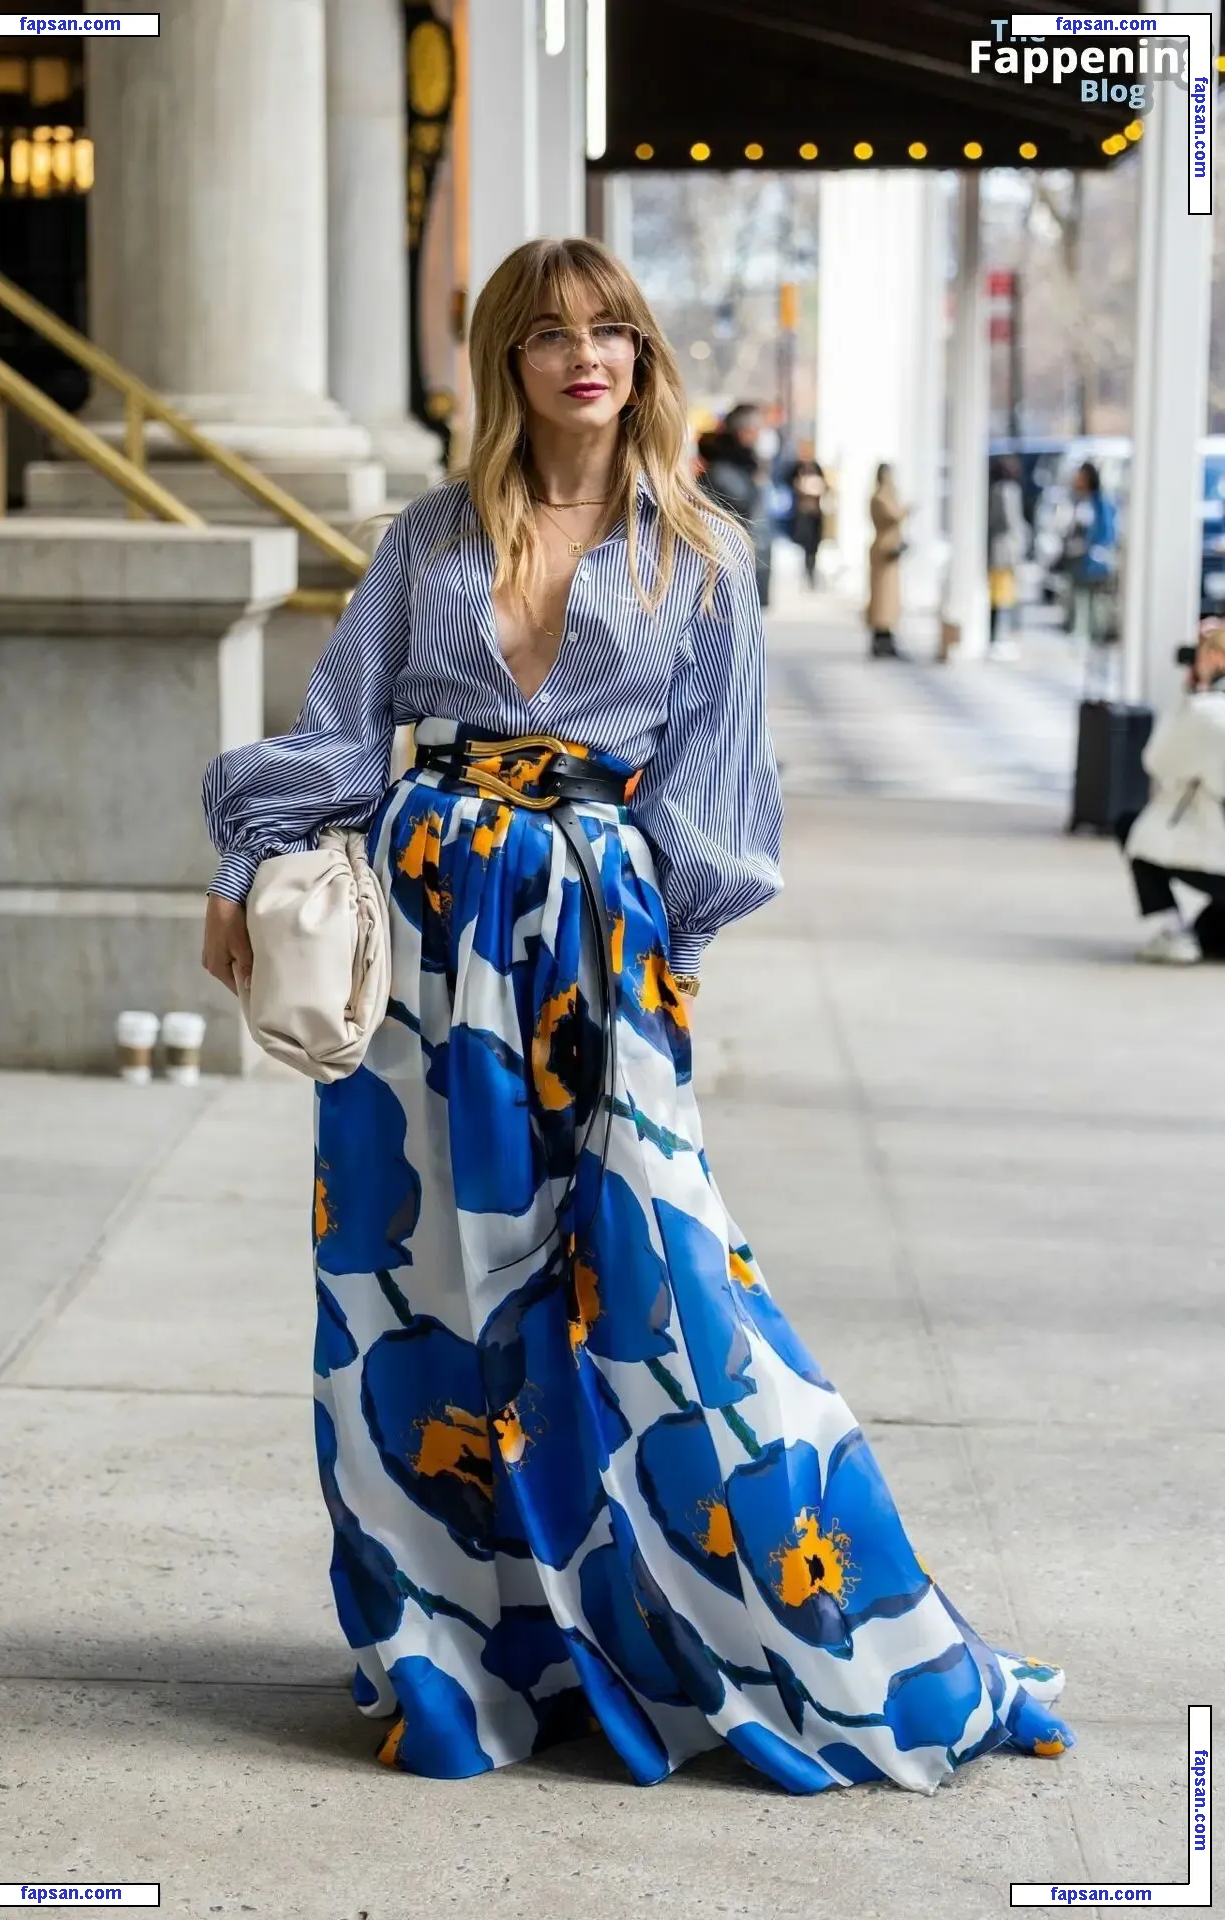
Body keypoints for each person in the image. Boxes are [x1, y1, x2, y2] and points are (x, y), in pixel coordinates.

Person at [201, 236, 1071, 1792]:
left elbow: (717, 802)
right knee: (412, 1298)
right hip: (422, 946)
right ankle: (446, 1653)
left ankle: (866, 1645)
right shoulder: (427, 539)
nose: (584, 355)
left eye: (610, 329)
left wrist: (667, 974)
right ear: (507, 361)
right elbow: (337, 735)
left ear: (644, 357)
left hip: (596, 956)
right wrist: (242, 862)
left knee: (665, 1297)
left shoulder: (706, 554)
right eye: (550, 333)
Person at [1121, 620, 1225, 964]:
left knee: (1135, 830)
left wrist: (1193, 693)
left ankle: (1173, 933)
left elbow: (1158, 760)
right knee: (1210, 935)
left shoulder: (1208, 712)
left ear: (1214, 657)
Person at [697, 402, 773, 607]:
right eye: (758, 430)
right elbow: (745, 516)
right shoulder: (725, 472)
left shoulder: (742, 466)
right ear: (745, 432)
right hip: (734, 569)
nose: (761, 436)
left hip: (743, 564)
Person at [1064, 461, 1118, 688]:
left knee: (1097, 614)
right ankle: (1082, 646)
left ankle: (1098, 663)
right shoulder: (1076, 501)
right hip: (1078, 565)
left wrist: (1093, 550)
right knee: (1079, 606)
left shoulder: (1100, 503)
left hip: (1095, 568)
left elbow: (1106, 533)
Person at [987, 454, 1028, 661]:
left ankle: (997, 638)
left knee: (999, 596)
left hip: (998, 550)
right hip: (1006, 552)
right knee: (1003, 597)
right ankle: (1000, 638)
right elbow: (1012, 522)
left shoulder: (995, 490)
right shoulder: (1008, 491)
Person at [867, 461, 908, 658]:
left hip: (889, 550)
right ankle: (881, 638)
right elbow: (894, 515)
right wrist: (906, 510)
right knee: (883, 599)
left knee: (889, 599)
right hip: (884, 551)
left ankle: (886, 636)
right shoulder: (881, 497)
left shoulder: (884, 496)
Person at [780, 437, 826, 586]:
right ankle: (804, 572)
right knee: (803, 542)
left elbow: (824, 485)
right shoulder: (796, 467)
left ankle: (811, 571)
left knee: (814, 544)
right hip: (802, 511)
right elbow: (786, 480)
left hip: (815, 512)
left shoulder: (816, 467)